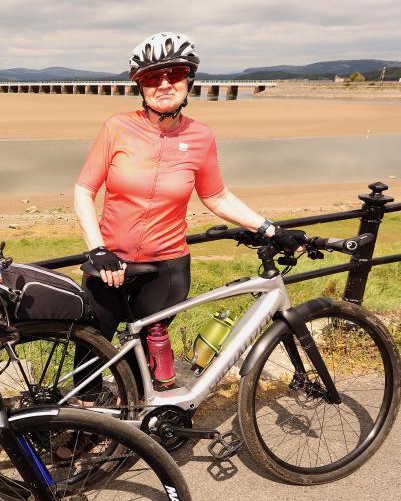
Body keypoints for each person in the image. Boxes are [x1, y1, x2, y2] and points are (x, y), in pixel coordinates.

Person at [73, 32, 303, 390]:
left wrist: (270, 229)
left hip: (166, 267)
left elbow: (217, 196)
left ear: (188, 80)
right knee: (91, 342)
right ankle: (81, 423)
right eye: (152, 77)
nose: (164, 83)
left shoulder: (201, 137)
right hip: (111, 262)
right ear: (140, 86)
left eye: (175, 74)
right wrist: (97, 249)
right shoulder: (116, 128)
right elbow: (84, 189)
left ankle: (143, 415)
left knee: (150, 346)